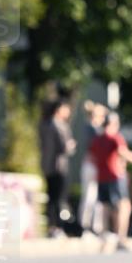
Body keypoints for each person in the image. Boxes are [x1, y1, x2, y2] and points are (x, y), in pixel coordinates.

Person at [90, 112, 132, 252]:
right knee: (124, 207)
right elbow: (123, 152)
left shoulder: (97, 139)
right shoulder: (115, 137)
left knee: (106, 207)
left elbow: (91, 157)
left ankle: (105, 237)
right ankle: (121, 239)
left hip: (101, 176)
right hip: (115, 176)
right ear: (114, 123)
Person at [39, 98, 76, 238]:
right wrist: (71, 145)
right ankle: (58, 227)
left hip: (48, 166)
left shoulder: (44, 124)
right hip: (59, 166)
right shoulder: (59, 125)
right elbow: (64, 147)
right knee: (60, 198)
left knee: (51, 197)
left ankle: (51, 227)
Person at [78, 100, 107, 233]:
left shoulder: (98, 129)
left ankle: (97, 227)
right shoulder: (90, 128)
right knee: (89, 197)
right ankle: (85, 226)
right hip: (91, 165)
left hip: (98, 166)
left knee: (98, 198)